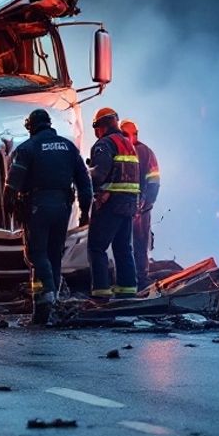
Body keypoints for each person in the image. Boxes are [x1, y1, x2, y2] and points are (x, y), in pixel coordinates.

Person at [4, 108, 92, 325]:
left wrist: (8, 207)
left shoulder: (28, 148)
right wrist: (84, 213)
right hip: (63, 208)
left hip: (37, 207)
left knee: (36, 254)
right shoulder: (69, 148)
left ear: (31, 126)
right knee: (54, 254)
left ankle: (50, 295)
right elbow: (85, 184)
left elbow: (12, 184)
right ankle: (41, 307)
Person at [86, 107, 140, 302]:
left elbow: (99, 173)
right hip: (129, 204)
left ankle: (100, 292)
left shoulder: (104, 144)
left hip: (109, 204)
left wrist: (85, 175)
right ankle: (127, 289)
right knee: (123, 246)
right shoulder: (128, 143)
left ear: (99, 126)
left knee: (96, 247)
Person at [121, 119, 161, 291]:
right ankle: (126, 279)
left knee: (140, 242)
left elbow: (154, 180)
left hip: (140, 208)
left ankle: (141, 279)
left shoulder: (145, 152)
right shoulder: (120, 149)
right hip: (123, 206)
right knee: (124, 243)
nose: (132, 137)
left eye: (134, 133)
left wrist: (147, 204)